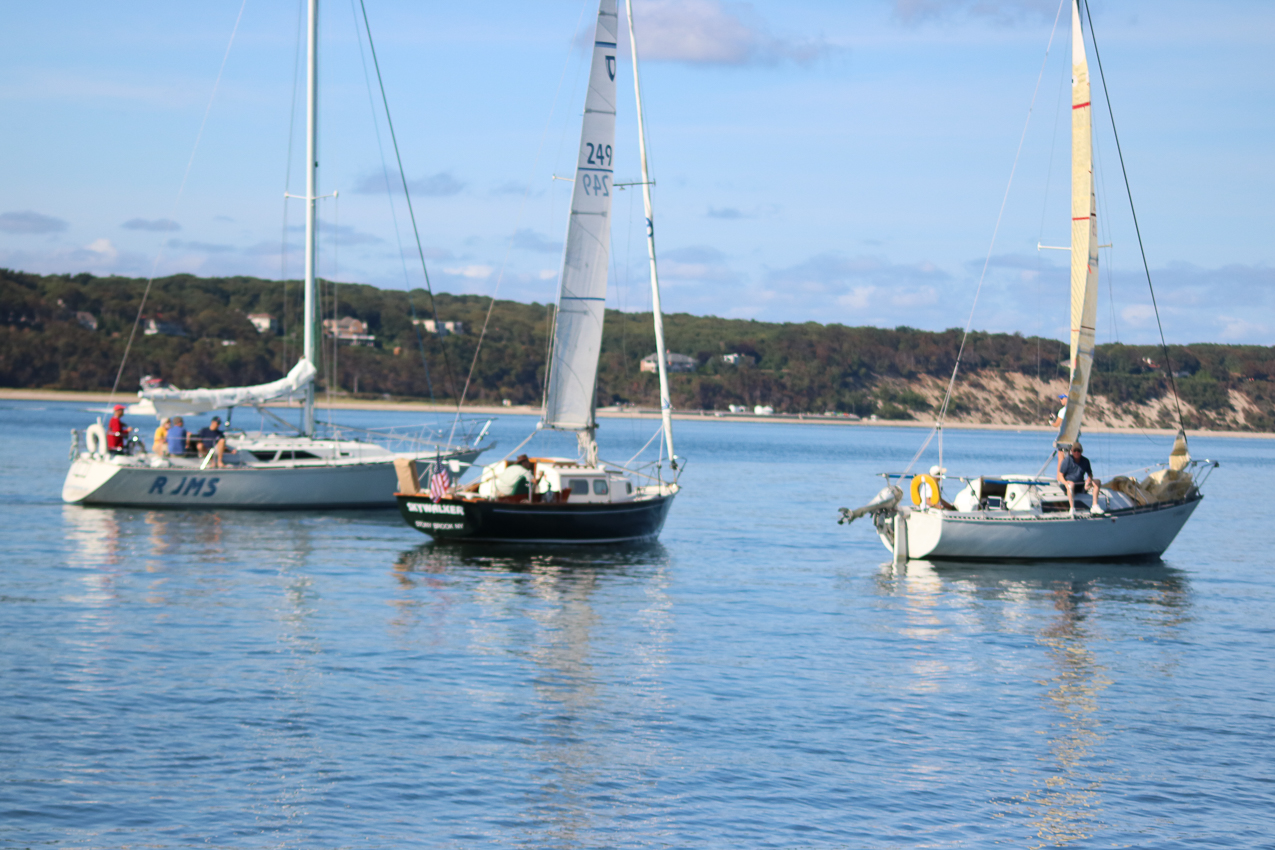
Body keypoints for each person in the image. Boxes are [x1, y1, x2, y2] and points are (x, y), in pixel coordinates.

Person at [1057, 441, 1102, 514]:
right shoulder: (1067, 460)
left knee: (1097, 482)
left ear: (1081, 451)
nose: (1077, 453)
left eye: (1079, 451)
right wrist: (1065, 483)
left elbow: (1090, 474)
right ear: (1072, 451)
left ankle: (1095, 505)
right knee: (1071, 484)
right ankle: (1072, 508)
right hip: (1069, 484)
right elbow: (1060, 475)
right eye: (1075, 451)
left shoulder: (1085, 461)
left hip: (1080, 484)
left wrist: (1089, 479)